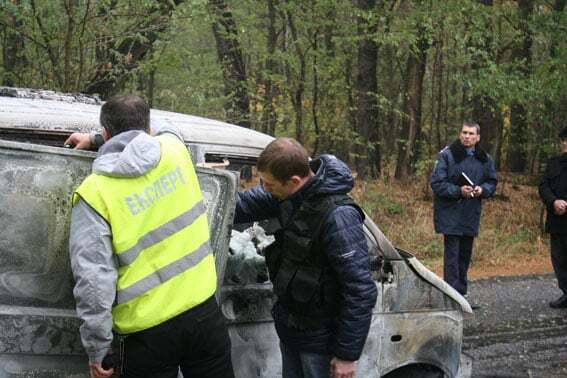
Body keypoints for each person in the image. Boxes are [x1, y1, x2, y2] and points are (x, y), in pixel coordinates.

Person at [66, 95, 233, 378]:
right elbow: (166, 125)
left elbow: (93, 280)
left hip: (148, 334)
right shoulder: (175, 150)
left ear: (107, 132)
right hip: (204, 314)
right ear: (147, 127)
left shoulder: (94, 193)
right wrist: (95, 138)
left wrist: (98, 348)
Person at [234, 138, 377, 378]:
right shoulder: (288, 195)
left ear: (294, 181)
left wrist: (346, 355)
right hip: (292, 331)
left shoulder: (338, 217)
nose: (264, 188)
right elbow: (243, 204)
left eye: (269, 183)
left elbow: (360, 289)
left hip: (322, 343)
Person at [430, 122, 498, 302]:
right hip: (450, 212)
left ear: (478, 137)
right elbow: (437, 183)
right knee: (452, 257)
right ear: (460, 135)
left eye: (470, 133)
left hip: (470, 213)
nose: (466, 136)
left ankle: (461, 294)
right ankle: (452, 298)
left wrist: (483, 190)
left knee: (464, 257)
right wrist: (458, 191)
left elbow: (492, 182)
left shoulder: (485, 159)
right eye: (464, 132)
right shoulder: (446, 155)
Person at [538, 126, 567, 309]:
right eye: (564, 139)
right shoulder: (553, 162)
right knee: (559, 259)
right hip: (556, 220)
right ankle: (566, 292)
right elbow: (543, 185)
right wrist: (554, 201)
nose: (566, 143)